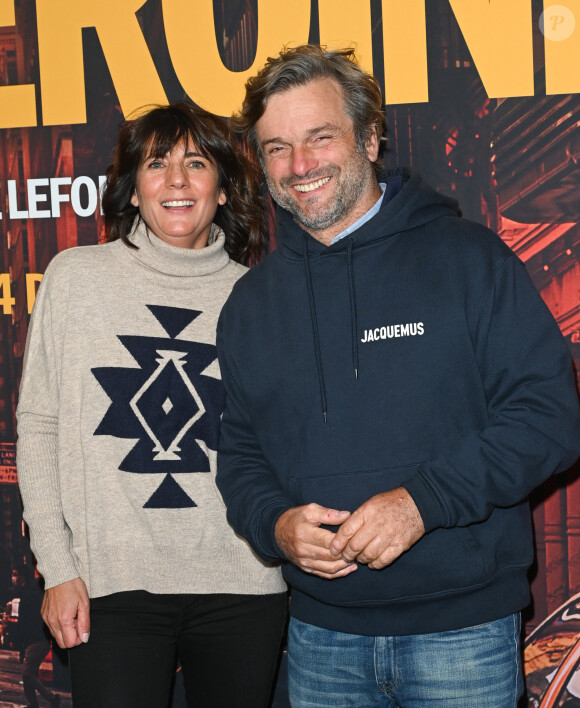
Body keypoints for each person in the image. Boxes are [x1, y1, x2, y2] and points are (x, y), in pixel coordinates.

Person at [215, 45, 580, 707]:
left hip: (463, 636)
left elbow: (549, 417)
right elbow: (239, 454)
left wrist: (421, 503)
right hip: (320, 640)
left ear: (371, 136)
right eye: (275, 148)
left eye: (320, 138)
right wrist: (274, 524)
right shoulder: (250, 305)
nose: (299, 167)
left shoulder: (469, 260)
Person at [17, 101, 287, 708]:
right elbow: (38, 427)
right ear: (132, 190)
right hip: (111, 586)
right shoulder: (75, 279)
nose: (176, 180)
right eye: (156, 163)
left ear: (222, 189)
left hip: (241, 584)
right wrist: (58, 568)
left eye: (196, 163)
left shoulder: (258, 295)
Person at [13, 566, 60, 708]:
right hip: (37, 639)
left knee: (27, 674)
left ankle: (51, 698)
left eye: (16, 574)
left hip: (36, 639)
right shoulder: (33, 592)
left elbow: (25, 621)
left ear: (23, 577)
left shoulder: (29, 593)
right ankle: (33, 704)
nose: (13, 578)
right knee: (29, 674)